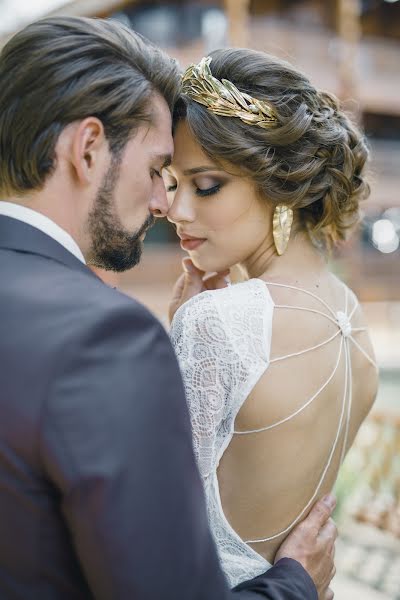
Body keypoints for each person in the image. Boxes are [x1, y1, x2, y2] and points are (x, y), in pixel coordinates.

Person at [0, 17, 336, 600]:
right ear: (87, 149)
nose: (163, 203)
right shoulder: (103, 337)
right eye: (159, 170)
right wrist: (296, 582)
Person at [166, 51, 379, 590]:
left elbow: (150, 514)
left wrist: (183, 328)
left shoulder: (216, 324)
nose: (177, 210)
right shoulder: (348, 311)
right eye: (173, 183)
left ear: (277, 184)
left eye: (206, 185)